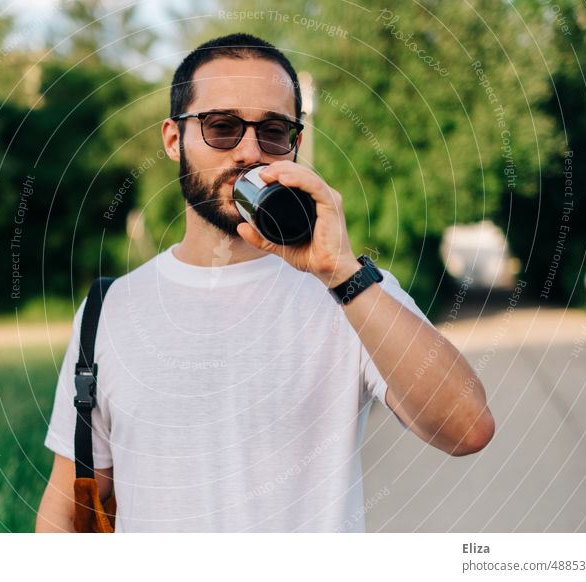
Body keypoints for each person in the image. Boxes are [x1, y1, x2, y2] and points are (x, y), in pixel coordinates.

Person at [35, 33, 494, 533]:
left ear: (293, 146)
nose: (249, 150)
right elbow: (72, 507)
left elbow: (467, 428)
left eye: (274, 131)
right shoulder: (110, 309)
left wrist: (340, 273)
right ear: (173, 139)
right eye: (222, 126)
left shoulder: (351, 289)